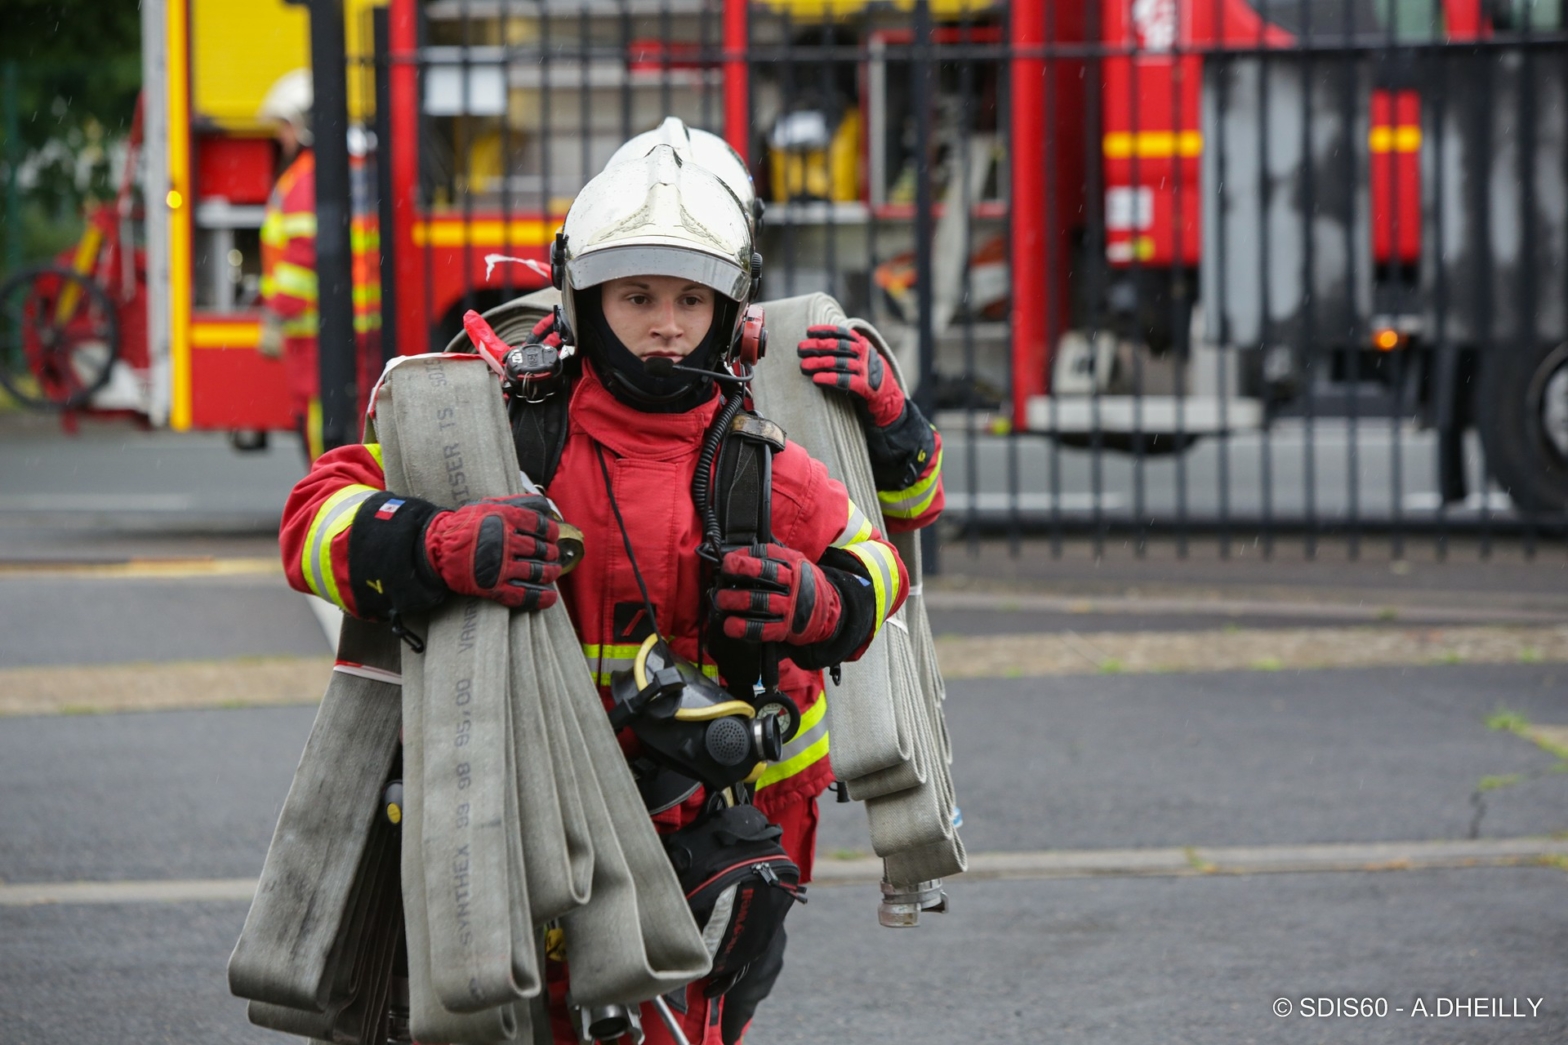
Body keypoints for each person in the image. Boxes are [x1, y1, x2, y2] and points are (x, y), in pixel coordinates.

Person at [279, 145, 915, 1044]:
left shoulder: (757, 461)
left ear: (730, 308)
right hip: (514, 813)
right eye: (638, 297)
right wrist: (441, 543)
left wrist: (824, 603)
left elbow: (874, 556)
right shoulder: (500, 426)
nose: (666, 326)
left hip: (714, 833)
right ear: (584, 298)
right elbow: (313, 517)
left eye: (692, 300)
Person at [257, 69, 323, 460]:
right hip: (322, 330)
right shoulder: (325, 173)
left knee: (318, 431)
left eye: (285, 125)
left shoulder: (303, 182)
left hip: (310, 332)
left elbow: (301, 259)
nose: (280, 135)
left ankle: (329, 508)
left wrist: (276, 314)